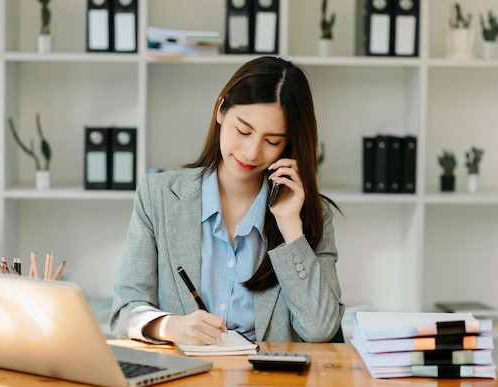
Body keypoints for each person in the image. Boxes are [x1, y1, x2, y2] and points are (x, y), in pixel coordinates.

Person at [110, 56, 344, 345]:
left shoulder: (310, 214)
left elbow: (320, 328)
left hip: (270, 385)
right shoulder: (158, 196)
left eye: (272, 141)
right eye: (243, 131)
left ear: (289, 143)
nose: (250, 152)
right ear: (221, 109)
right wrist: (170, 327)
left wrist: (290, 229)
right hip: (182, 382)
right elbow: (125, 311)